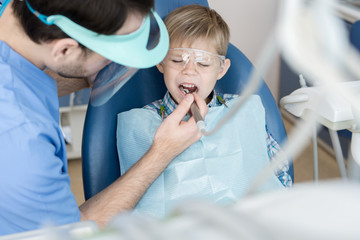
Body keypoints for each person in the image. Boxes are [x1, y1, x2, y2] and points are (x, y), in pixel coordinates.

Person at [0, 0, 207, 235]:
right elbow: (76, 230)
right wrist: (163, 151)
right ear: (65, 50)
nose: (117, 64)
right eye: (111, 56)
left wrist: (92, 65)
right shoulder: (22, 145)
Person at [116, 5, 292, 218]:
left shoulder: (242, 112)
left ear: (221, 69)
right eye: (177, 60)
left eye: (203, 63)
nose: (189, 70)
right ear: (161, 61)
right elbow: (128, 199)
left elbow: (276, 171)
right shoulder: (140, 125)